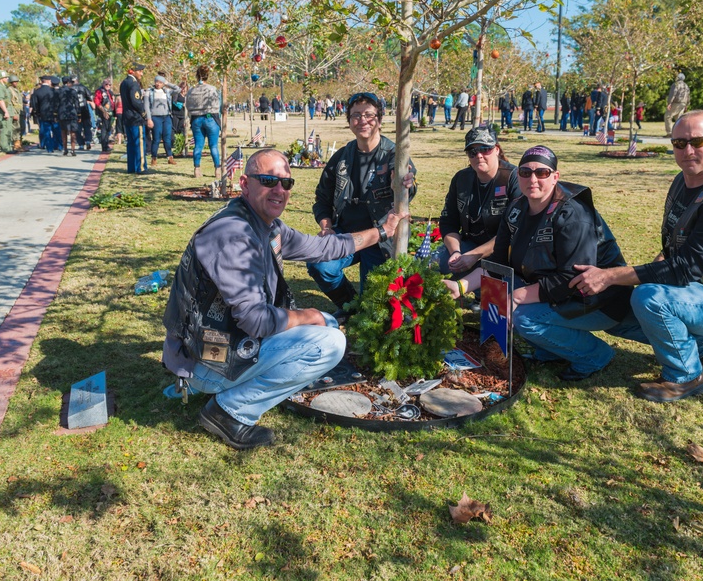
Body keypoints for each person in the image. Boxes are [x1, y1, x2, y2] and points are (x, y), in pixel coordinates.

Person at [162, 148, 406, 449]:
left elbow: (323, 249)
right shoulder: (234, 235)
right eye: (268, 180)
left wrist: (382, 231)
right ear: (245, 183)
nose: (279, 190)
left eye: (286, 184)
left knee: (328, 322)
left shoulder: (265, 225)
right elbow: (255, 318)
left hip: (221, 341)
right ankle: (229, 411)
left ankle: (245, 389)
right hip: (207, 359)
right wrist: (306, 316)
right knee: (329, 343)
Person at [569, 110, 703, 402]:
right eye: (679, 143)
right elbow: (676, 247)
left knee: (649, 298)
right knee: (621, 306)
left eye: (698, 141)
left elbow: (685, 268)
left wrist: (610, 276)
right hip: (698, 291)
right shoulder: (684, 180)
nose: (687, 150)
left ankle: (686, 377)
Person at [444, 145, 639, 381]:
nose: (532, 179)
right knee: (499, 296)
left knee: (522, 317)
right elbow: (497, 263)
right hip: (556, 289)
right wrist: (461, 286)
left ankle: (595, 355)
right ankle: (550, 349)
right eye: (525, 172)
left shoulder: (572, 215)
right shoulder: (516, 208)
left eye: (542, 173)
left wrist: (515, 298)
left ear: (555, 177)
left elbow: (572, 279)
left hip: (598, 298)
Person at [308, 92, 417, 319]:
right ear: (349, 121)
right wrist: (327, 226)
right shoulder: (341, 157)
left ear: (379, 119)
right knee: (320, 264)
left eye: (369, 115)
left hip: (381, 240)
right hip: (347, 234)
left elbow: (408, 185)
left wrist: (405, 182)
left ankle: (363, 307)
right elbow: (322, 199)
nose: (362, 121)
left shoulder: (394, 155)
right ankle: (350, 305)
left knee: (374, 308)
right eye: (356, 116)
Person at [435, 125, 520, 279]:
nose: (479, 155)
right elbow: (448, 222)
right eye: (472, 152)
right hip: (469, 245)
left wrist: (474, 255)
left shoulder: (514, 178)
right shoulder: (461, 179)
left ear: (497, 149)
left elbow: (513, 232)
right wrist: (455, 252)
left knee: (488, 281)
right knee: (433, 264)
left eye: (485, 149)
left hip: (503, 251)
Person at [186, 65, 222, 179]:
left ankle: (197, 169)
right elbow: (218, 104)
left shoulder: (191, 90)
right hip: (210, 117)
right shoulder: (212, 89)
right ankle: (217, 169)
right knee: (213, 146)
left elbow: (187, 105)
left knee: (198, 146)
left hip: (196, 118)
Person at [120, 63, 152, 174]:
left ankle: (132, 167)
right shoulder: (133, 84)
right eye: (140, 71)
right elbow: (136, 102)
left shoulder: (124, 83)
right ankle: (141, 168)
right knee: (139, 143)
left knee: (131, 143)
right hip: (135, 117)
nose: (141, 74)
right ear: (132, 71)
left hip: (127, 117)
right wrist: (144, 114)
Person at [146, 75, 178, 165]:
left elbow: (178, 89)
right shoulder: (150, 92)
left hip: (166, 116)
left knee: (167, 138)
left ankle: (170, 157)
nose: (158, 84)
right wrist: (149, 118)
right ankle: (154, 158)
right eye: (157, 82)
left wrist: (167, 83)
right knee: (156, 138)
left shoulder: (166, 91)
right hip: (155, 117)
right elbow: (146, 106)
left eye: (160, 82)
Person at [0, 70, 16, 154]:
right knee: (5, 129)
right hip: (3, 111)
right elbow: (0, 100)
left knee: (9, 129)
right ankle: (5, 148)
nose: (7, 78)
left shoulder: (4, 86)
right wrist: (5, 112)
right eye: (6, 77)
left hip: (8, 109)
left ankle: (9, 146)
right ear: (1, 78)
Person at [57, 76, 80, 156]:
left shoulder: (58, 91)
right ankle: (73, 149)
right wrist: (79, 114)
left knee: (63, 131)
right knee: (73, 131)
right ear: (68, 83)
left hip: (61, 113)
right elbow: (77, 104)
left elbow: (55, 104)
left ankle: (65, 149)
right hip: (71, 112)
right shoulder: (72, 91)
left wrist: (55, 114)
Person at [664, 72, 690, 137]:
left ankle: (669, 132)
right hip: (683, 104)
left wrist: (669, 103)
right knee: (678, 119)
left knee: (668, 116)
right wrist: (687, 104)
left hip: (676, 102)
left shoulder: (675, 84)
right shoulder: (686, 86)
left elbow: (673, 94)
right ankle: (679, 133)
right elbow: (688, 96)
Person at [93, 78, 116, 153]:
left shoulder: (109, 92)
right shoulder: (99, 91)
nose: (108, 86)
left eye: (109, 84)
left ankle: (106, 145)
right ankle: (104, 146)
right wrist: (104, 112)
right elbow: (97, 102)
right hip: (103, 113)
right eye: (106, 84)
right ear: (103, 84)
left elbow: (112, 102)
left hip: (110, 113)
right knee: (104, 129)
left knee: (108, 129)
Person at [7, 75, 24, 152]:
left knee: (21, 128)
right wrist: (13, 113)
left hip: (20, 111)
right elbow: (9, 103)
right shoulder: (9, 90)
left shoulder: (16, 90)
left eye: (16, 81)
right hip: (15, 112)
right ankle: (16, 145)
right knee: (15, 129)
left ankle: (20, 144)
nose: (16, 83)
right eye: (14, 82)